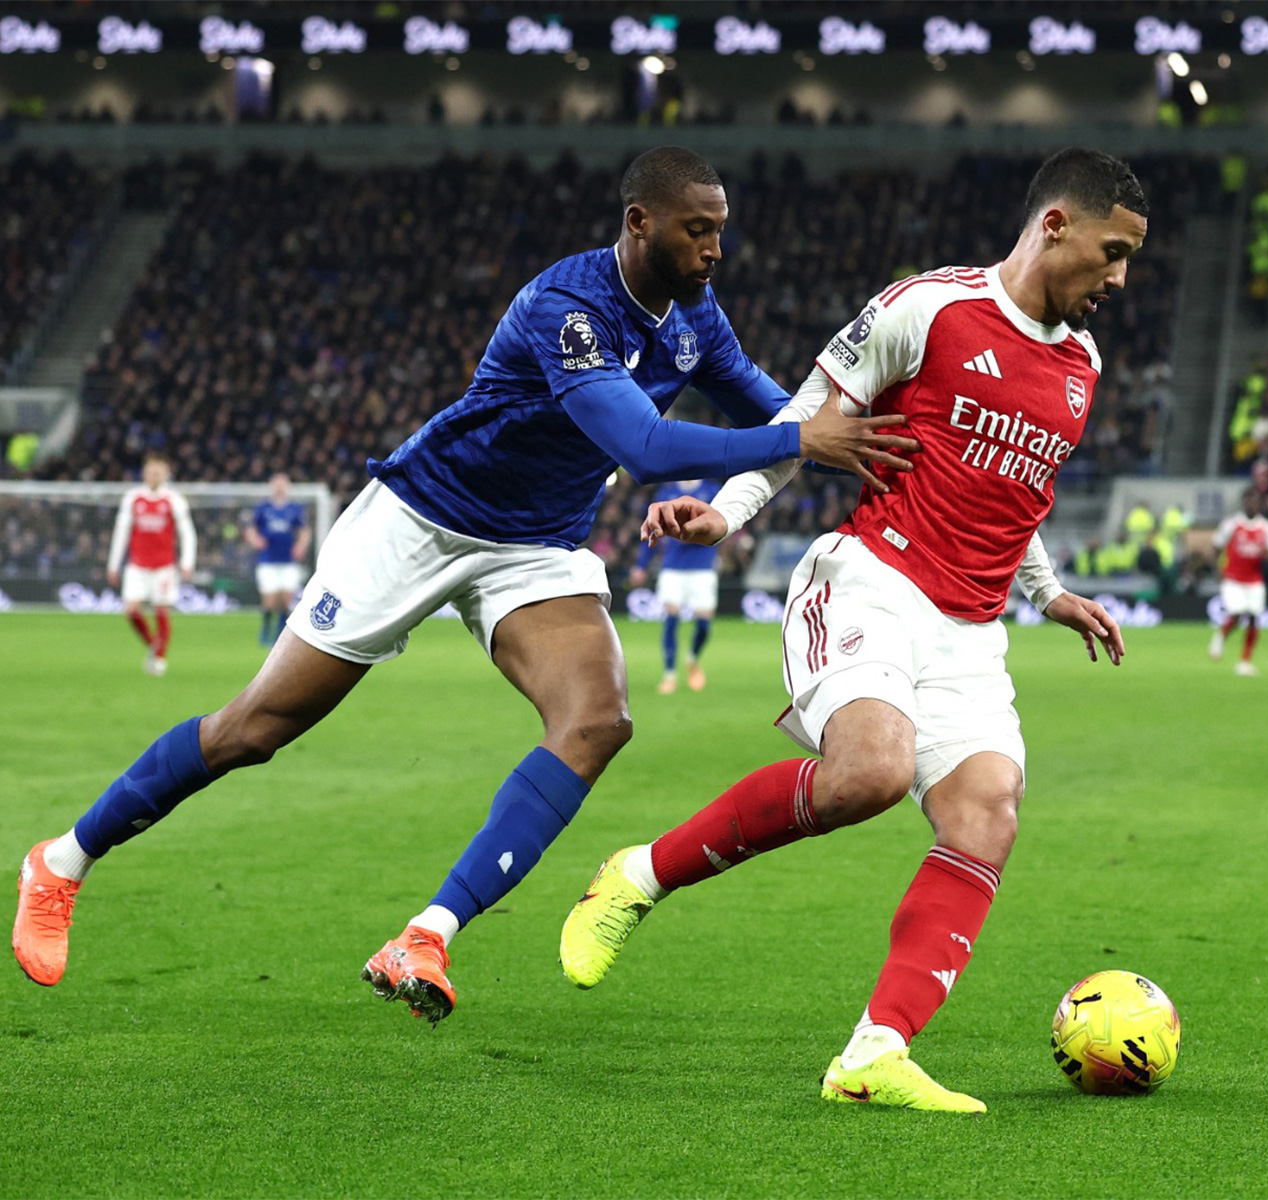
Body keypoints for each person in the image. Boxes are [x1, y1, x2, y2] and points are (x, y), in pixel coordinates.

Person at [12, 147, 916, 1025]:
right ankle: (62, 859)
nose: (716, 250)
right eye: (698, 231)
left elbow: (777, 410)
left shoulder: (695, 314)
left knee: (597, 721)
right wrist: (802, 442)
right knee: (256, 728)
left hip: (536, 545)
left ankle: (426, 935)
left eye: (721, 231)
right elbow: (643, 447)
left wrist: (898, 449)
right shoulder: (568, 306)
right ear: (640, 223)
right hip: (422, 518)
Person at [559, 147, 1145, 1113]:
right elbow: (809, 419)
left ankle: (874, 1053)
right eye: (1114, 251)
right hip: (871, 580)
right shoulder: (928, 307)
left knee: (985, 815)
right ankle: (635, 876)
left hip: (972, 628)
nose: (1121, 279)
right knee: (870, 772)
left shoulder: (1080, 364)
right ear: (1055, 228)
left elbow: (1017, 493)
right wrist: (726, 511)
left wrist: (1049, 595)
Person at [106, 452, 195, 677]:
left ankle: (160, 658)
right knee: (131, 610)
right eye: (150, 471)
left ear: (166, 473)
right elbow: (121, 532)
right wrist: (113, 564)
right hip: (137, 565)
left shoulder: (174, 500)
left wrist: (187, 562)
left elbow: (187, 534)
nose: (154, 475)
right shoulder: (133, 498)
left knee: (161, 610)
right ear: (144, 473)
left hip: (164, 566)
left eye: (159, 471)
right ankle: (155, 644)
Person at [629, 478, 721, 694]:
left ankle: (692, 658)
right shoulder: (666, 491)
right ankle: (669, 674)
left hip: (703, 567)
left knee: (704, 625)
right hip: (672, 567)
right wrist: (641, 565)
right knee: (671, 620)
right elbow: (654, 530)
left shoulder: (712, 490)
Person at [1208, 490, 1268, 676]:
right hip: (1233, 578)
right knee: (1237, 613)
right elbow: (1216, 545)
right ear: (1244, 503)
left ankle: (1244, 661)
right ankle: (1221, 636)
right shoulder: (1232, 524)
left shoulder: (1266, 527)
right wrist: (1218, 568)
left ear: (1259, 504)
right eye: (1249, 501)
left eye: (1255, 501)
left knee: (1254, 618)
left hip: (1255, 579)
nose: (1252, 505)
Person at [243, 472, 310, 647]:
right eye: (277, 483)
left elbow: (304, 531)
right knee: (269, 600)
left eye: (283, 483)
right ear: (272, 486)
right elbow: (251, 529)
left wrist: (301, 545)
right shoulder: (263, 508)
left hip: (288, 560)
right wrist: (255, 540)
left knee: (287, 599)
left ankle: (280, 633)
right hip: (268, 560)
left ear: (287, 486)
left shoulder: (295, 508)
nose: (280, 487)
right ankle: (266, 629)